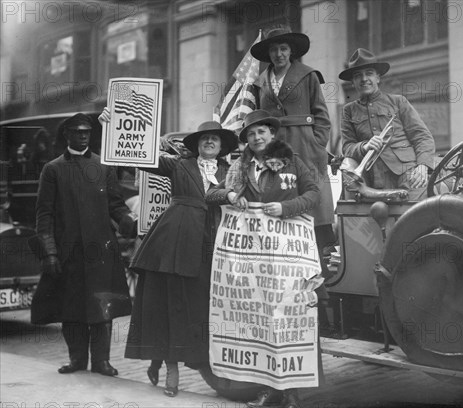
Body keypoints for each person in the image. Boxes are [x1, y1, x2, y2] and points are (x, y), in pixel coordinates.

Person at [208, 109, 321, 408]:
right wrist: (231, 197)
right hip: (255, 259)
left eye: (262, 132)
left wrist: (287, 208)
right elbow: (212, 195)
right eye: (251, 134)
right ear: (245, 139)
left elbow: (314, 194)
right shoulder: (239, 167)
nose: (257, 138)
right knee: (261, 320)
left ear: (272, 134)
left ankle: (292, 394)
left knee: (289, 318)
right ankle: (270, 389)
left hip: (289, 255)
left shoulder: (292, 161)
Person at [119, 119, 238, 397]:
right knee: (169, 302)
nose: (209, 142)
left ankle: (202, 361)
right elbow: (141, 155)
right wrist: (117, 130)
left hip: (212, 241)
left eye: (215, 139)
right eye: (204, 138)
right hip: (177, 237)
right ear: (196, 144)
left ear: (221, 147)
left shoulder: (231, 172)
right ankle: (167, 365)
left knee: (200, 306)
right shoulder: (179, 165)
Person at [32, 113, 137, 377]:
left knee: (103, 307)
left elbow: (115, 204)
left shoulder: (103, 165)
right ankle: (77, 360)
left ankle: (101, 361)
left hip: (102, 251)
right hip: (68, 252)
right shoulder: (53, 169)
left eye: (86, 132)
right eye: (77, 132)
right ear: (66, 134)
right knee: (72, 309)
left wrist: (129, 221)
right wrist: (50, 253)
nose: (82, 136)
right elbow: (44, 215)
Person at [250, 25, 336, 286]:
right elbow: (257, 120)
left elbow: (322, 116)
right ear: (269, 53)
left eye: (284, 48)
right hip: (274, 152)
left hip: (306, 148)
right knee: (281, 211)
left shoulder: (308, 75)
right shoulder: (260, 82)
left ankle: (324, 292)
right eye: (274, 49)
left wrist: (315, 144)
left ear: (292, 51)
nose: (279, 54)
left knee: (315, 215)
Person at [339, 48, 436, 201]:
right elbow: (347, 147)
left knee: (418, 215)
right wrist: (364, 146)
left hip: (408, 172)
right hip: (373, 180)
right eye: (358, 76)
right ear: (353, 82)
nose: (364, 79)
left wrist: (423, 166)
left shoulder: (398, 102)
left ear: (378, 78)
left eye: (369, 73)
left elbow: (422, 136)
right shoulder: (348, 111)